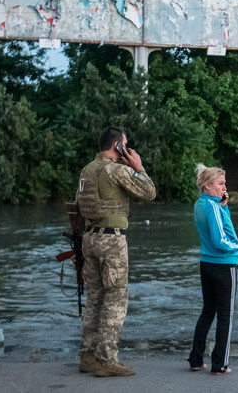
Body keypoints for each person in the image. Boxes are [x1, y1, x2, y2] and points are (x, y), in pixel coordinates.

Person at [76, 126, 156, 377]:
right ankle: (107, 359)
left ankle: (88, 355)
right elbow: (149, 192)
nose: (128, 147)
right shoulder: (117, 170)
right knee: (116, 298)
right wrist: (138, 167)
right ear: (117, 146)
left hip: (88, 238)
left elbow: (78, 205)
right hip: (112, 239)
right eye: (125, 144)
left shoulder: (87, 170)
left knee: (95, 298)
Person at [187, 164, 238, 376]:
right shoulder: (212, 207)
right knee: (225, 315)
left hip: (207, 264)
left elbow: (219, 224)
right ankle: (220, 364)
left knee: (208, 312)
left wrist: (224, 206)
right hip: (223, 264)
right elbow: (220, 239)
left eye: (224, 183)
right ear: (207, 185)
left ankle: (196, 358)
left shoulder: (201, 204)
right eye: (220, 184)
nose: (224, 187)